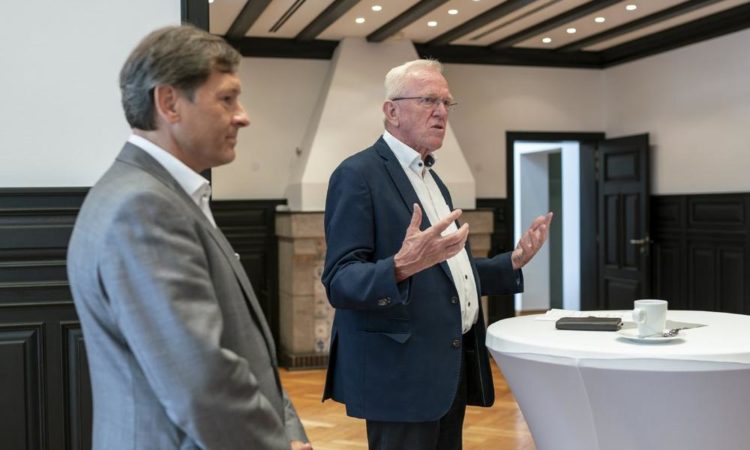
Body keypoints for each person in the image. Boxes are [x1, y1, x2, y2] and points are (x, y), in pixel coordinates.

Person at [66, 25, 312, 450]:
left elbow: (240, 354)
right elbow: (203, 384)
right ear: (169, 103)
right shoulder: (143, 208)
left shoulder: (159, 193)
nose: (243, 116)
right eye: (227, 99)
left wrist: (286, 432)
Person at [320, 59, 552, 450]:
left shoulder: (432, 179)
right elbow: (340, 282)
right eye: (429, 100)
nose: (441, 112)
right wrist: (399, 266)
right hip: (400, 376)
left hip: (446, 368)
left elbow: (447, 272)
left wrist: (511, 261)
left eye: (446, 102)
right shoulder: (357, 174)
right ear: (392, 111)